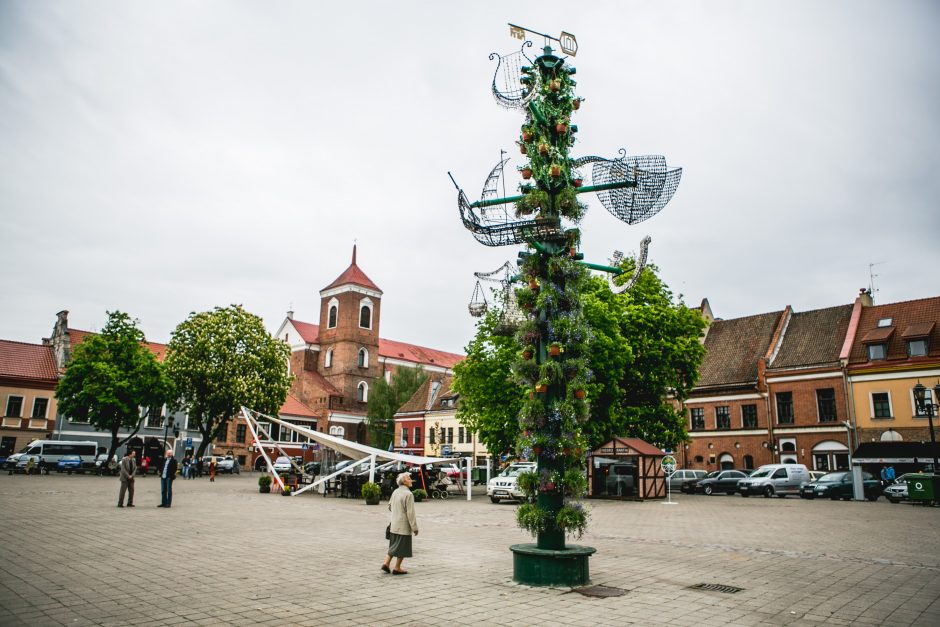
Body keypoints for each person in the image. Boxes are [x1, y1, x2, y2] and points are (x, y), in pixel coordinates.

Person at [382, 472, 419, 575]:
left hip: (394, 524)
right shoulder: (409, 494)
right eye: (409, 478)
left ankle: (386, 563)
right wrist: (415, 528)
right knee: (402, 546)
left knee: (394, 545)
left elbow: (389, 506)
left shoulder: (395, 491)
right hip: (403, 525)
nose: (411, 480)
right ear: (404, 481)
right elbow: (410, 513)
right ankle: (397, 567)